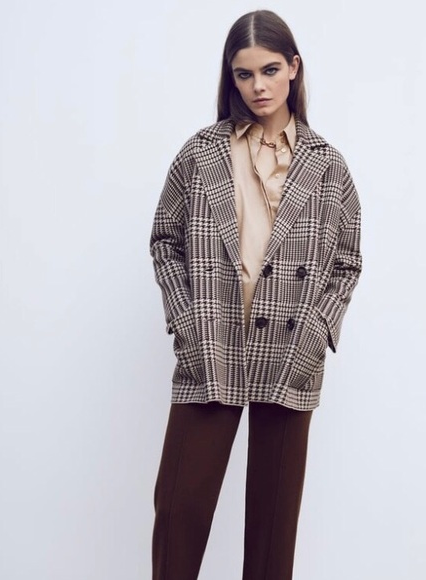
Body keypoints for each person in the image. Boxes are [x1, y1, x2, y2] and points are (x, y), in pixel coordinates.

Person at [149, 9, 362, 580]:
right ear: (231, 78)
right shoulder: (200, 154)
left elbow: (347, 262)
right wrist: (187, 319)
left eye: (269, 70)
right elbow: (165, 240)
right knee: (179, 511)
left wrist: (316, 333)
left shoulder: (328, 166)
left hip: (290, 352)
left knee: (272, 533)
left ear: (294, 68)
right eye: (243, 74)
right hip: (212, 342)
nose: (258, 86)